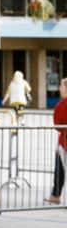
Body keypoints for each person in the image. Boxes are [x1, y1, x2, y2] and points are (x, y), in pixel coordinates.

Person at [46, 77, 67, 205]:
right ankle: (55, 194)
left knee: (60, 168)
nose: (60, 88)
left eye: (61, 86)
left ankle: (55, 194)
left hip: (64, 142)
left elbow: (57, 124)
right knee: (59, 167)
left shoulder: (62, 104)